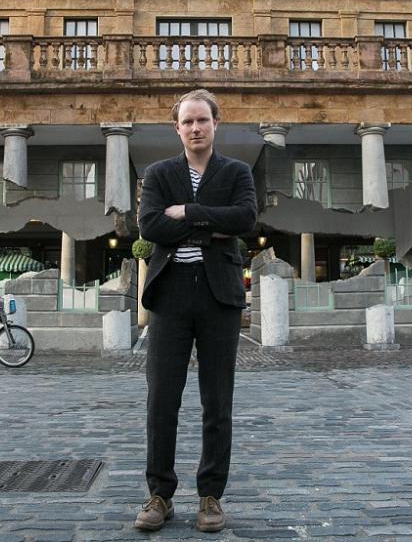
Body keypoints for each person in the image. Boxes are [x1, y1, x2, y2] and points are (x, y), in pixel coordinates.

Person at [134, 89, 257, 533]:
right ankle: (160, 494)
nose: (195, 128)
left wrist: (187, 212)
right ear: (177, 128)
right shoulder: (159, 173)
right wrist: (212, 224)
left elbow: (244, 219)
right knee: (161, 399)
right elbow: (150, 226)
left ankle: (210, 495)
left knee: (217, 400)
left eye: (202, 120)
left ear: (215, 123)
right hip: (169, 295)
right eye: (187, 121)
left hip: (218, 295)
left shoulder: (237, 171)